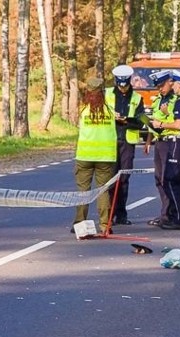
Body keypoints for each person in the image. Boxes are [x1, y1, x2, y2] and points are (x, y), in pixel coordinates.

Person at [72, 77, 118, 235]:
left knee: (83, 191)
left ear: (88, 92)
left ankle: (79, 223)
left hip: (85, 156)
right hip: (105, 157)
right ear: (103, 93)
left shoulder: (84, 110)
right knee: (102, 191)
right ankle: (105, 226)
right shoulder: (110, 111)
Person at [147, 69, 180, 230]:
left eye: (173, 84)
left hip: (176, 142)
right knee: (167, 180)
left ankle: (178, 218)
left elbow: (179, 125)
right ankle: (171, 216)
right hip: (166, 140)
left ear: (177, 85)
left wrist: (161, 124)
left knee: (173, 181)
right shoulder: (169, 100)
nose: (169, 87)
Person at [106, 64, 146, 227]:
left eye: (125, 85)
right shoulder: (107, 94)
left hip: (127, 143)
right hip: (110, 141)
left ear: (129, 82)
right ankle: (109, 215)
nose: (123, 89)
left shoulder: (137, 98)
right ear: (116, 82)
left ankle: (121, 214)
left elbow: (142, 122)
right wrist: (112, 117)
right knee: (110, 180)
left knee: (124, 179)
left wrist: (126, 121)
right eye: (120, 85)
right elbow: (99, 115)